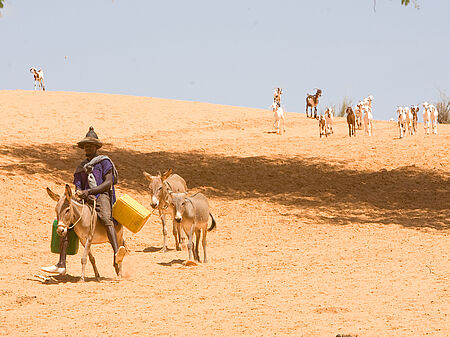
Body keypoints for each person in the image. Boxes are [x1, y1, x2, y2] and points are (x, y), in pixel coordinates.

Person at [42, 126, 126, 275]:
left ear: (96, 147)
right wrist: (81, 193)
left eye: (91, 145)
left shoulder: (104, 162)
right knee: (67, 220)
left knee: (107, 218)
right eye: (86, 145)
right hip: (85, 198)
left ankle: (116, 253)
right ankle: (61, 264)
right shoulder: (80, 167)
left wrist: (91, 191)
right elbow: (78, 186)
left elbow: (108, 183)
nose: (88, 148)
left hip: (103, 196)